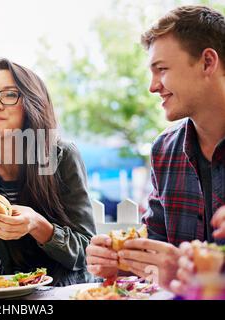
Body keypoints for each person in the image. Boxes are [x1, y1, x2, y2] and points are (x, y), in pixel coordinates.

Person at [85, 5, 225, 290]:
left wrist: (197, 275)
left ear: (207, 62)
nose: (152, 86)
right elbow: (156, 250)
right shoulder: (165, 149)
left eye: (161, 69)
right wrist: (121, 261)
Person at [0, 58, 96, 286]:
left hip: (67, 289)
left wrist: (38, 226)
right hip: (8, 289)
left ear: (32, 103)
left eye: (9, 95)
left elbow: (86, 252)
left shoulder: (62, 155)